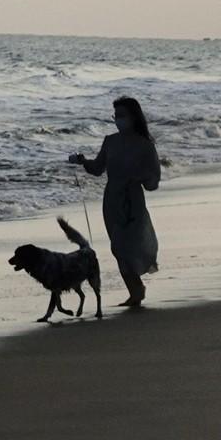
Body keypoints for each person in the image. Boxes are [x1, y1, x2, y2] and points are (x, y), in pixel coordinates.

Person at [69, 96, 161, 310]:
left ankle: (136, 289)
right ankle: (135, 291)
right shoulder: (110, 141)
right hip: (112, 199)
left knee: (133, 244)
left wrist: (140, 177)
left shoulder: (145, 144)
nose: (118, 120)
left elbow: (153, 182)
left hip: (134, 200)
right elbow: (98, 169)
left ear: (133, 117)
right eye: (116, 116)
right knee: (118, 246)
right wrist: (83, 161)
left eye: (122, 115)